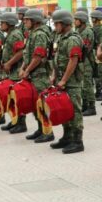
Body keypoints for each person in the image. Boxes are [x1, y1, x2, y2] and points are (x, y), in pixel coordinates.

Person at [49, 10, 85, 154]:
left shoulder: (73, 39)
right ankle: (67, 136)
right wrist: (54, 76)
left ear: (64, 23)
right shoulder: (61, 37)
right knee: (64, 109)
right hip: (62, 81)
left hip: (72, 82)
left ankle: (77, 141)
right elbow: (58, 59)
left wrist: (64, 80)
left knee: (75, 111)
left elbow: (73, 60)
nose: (55, 26)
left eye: (56, 23)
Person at [19, 9, 54, 143]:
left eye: (27, 19)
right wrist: (23, 68)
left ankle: (48, 131)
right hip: (32, 74)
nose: (24, 21)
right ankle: (40, 129)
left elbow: (38, 56)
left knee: (42, 104)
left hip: (40, 74)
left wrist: (27, 70)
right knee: (35, 105)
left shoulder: (40, 35)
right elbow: (27, 54)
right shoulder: (32, 34)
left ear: (34, 21)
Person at [0, 12, 26, 132]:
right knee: (11, 98)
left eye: (3, 22)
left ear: (9, 23)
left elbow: (20, 52)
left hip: (15, 71)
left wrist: (9, 63)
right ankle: (15, 121)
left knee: (17, 98)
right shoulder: (10, 34)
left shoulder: (15, 35)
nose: (1, 24)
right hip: (10, 71)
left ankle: (21, 123)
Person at [74, 10, 97, 117]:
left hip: (86, 60)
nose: (74, 21)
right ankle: (85, 105)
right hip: (80, 61)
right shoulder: (78, 30)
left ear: (82, 21)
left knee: (87, 84)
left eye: (76, 20)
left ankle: (92, 107)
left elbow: (86, 48)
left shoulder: (88, 31)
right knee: (83, 85)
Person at [91, 10, 102, 100]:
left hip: (99, 53)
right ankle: (98, 91)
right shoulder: (94, 28)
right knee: (96, 73)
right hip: (95, 52)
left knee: (100, 73)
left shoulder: (100, 29)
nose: (91, 19)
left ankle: (101, 92)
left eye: (92, 17)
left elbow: (100, 43)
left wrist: (98, 54)